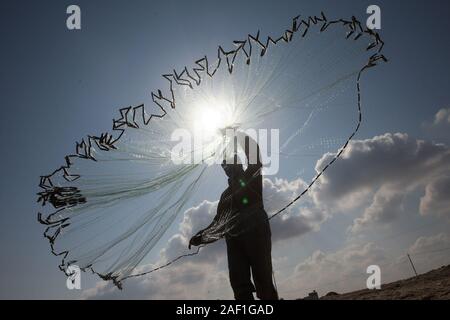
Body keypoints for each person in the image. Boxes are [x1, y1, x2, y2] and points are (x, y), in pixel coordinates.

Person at [189, 132, 278, 300]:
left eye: (230, 163)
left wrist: (236, 135)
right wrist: (201, 237)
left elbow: (254, 154)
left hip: (256, 231)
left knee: (263, 279)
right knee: (239, 283)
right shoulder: (225, 196)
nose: (227, 168)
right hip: (233, 239)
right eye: (224, 166)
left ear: (239, 163)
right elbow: (218, 224)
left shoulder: (252, 176)